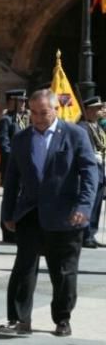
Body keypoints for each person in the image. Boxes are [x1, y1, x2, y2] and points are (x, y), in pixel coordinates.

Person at [0, 89, 97, 337]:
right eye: (33, 112)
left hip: (65, 215)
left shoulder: (75, 135)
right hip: (30, 213)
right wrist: (8, 213)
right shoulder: (22, 138)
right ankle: (21, 318)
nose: (38, 118)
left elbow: (89, 173)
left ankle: (62, 318)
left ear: (55, 109)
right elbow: (11, 179)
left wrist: (84, 207)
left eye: (43, 112)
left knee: (63, 271)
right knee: (24, 267)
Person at [0, 90, 27, 242]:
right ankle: (7, 231)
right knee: (11, 197)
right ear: (11, 102)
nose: (23, 104)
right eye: (20, 101)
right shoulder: (6, 120)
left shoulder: (24, 119)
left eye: (24, 101)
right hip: (11, 166)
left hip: (25, 167)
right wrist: (16, 160)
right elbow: (4, 144)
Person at [80, 96, 106, 248]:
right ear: (88, 110)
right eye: (97, 108)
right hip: (91, 170)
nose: (100, 111)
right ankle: (85, 234)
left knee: (97, 204)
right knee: (89, 202)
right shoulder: (83, 127)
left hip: (101, 169)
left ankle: (91, 233)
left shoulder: (97, 126)